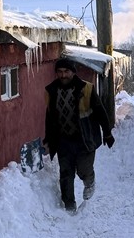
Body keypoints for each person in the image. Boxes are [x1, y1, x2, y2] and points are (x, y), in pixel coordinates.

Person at [44, 57, 114, 212]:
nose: (63, 75)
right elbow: (49, 117)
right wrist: (48, 137)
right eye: (60, 72)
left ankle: (89, 181)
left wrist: (107, 133)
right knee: (66, 174)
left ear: (73, 72)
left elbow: (101, 112)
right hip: (63, 140)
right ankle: (69, 206)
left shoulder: (87, 89)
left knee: (83, 169)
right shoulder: (51, 91)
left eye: (66, 71)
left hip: (84, 138)